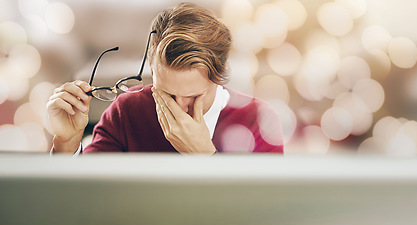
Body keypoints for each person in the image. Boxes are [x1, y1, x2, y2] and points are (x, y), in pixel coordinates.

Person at [46, 2, 284, 154]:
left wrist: (205, 157)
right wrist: (66, 141)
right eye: (166, 94)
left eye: (194, 96)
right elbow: (84, 199)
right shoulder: (127, 112)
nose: (178, 108)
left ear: (220, 77)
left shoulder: (257, 120)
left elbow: (268, 218)